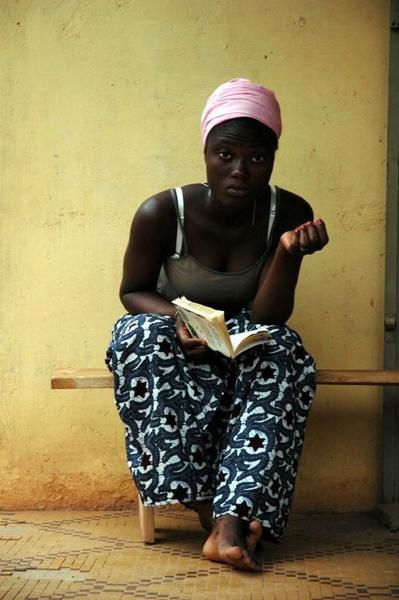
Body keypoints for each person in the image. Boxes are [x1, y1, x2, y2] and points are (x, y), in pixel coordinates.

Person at [106, 78, 329, 572]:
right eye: (224, 154)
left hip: (243, 333)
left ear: (272, 157)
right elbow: (132, 292)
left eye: (257, 158)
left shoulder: (288, 213)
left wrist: (289, 252)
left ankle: (228, 520)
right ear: (205, 152)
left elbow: (270, 315)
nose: (239, 170)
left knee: (285, 350)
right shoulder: (162, 212)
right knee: (137, 336)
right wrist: (179, 319)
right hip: (175, 329)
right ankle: (217, 514)